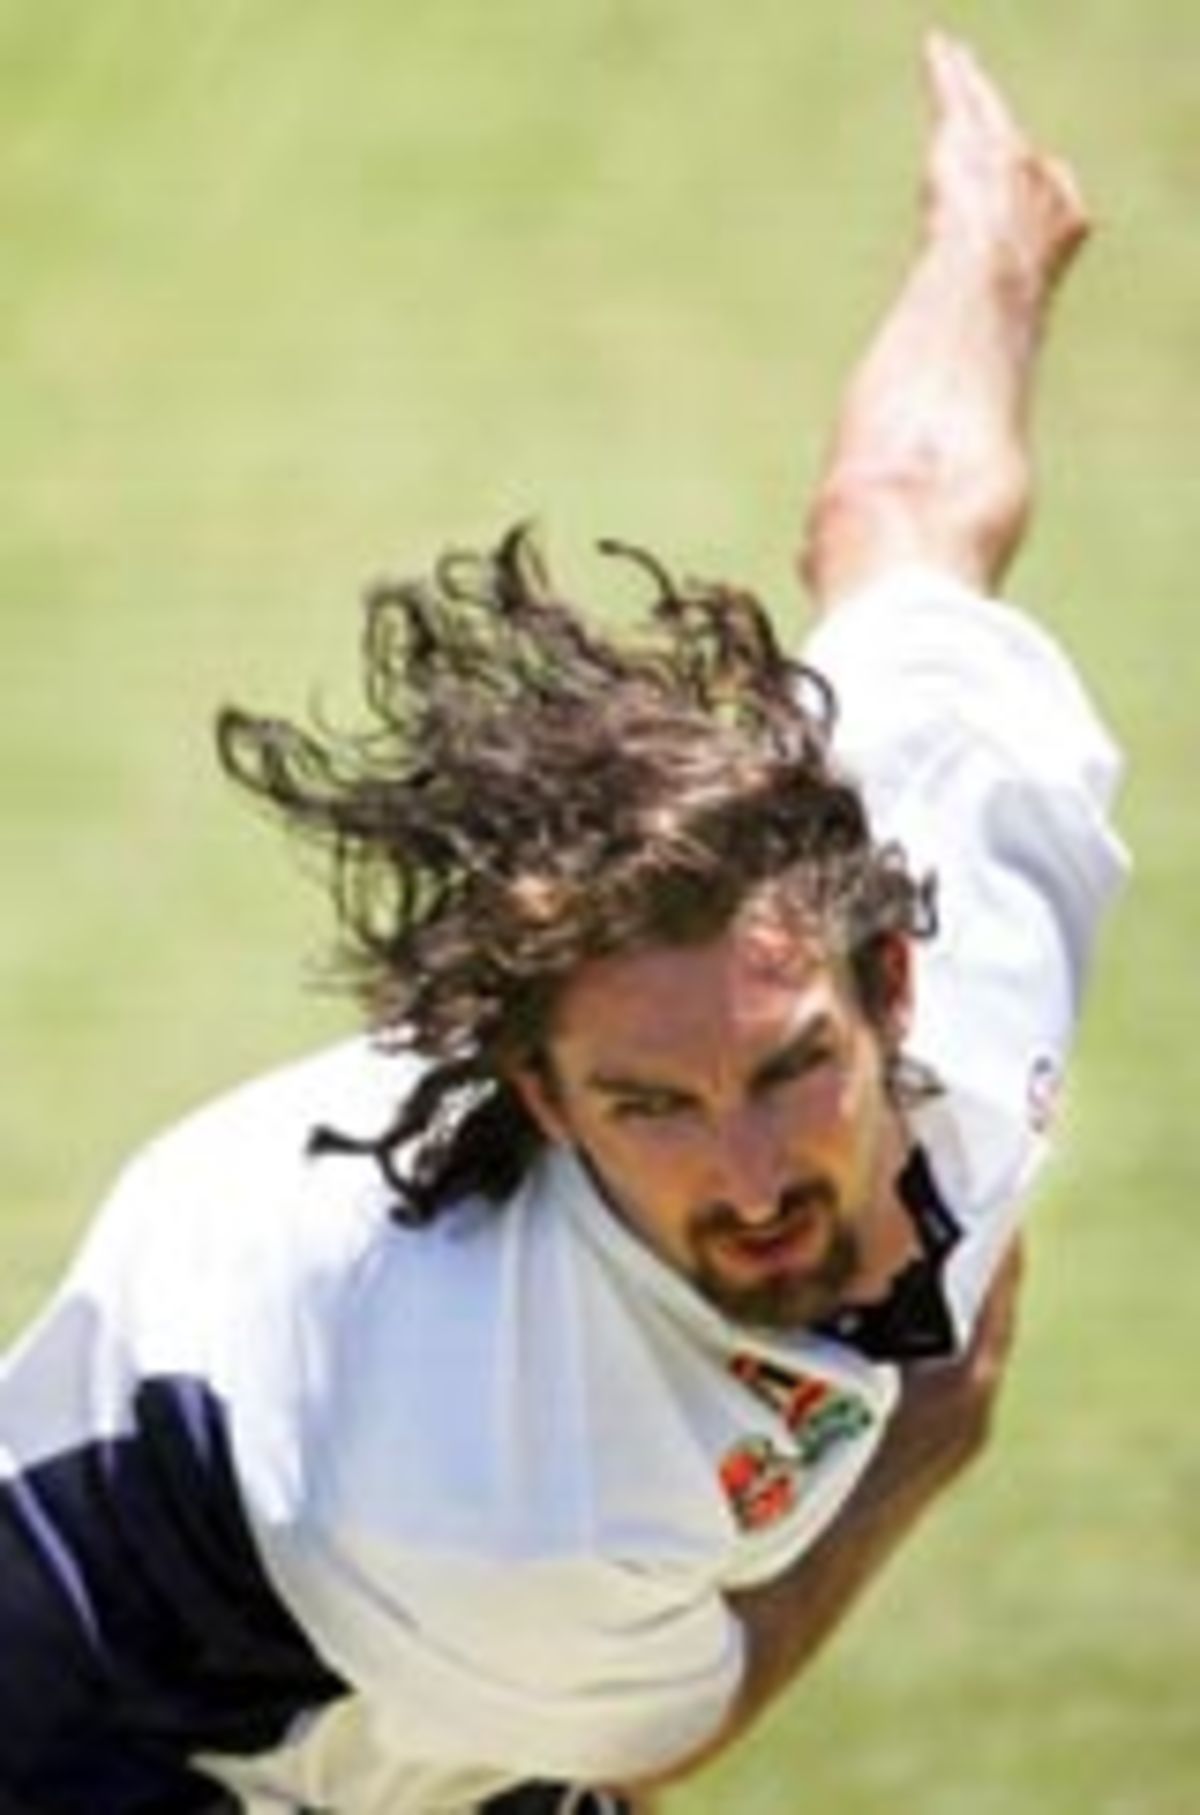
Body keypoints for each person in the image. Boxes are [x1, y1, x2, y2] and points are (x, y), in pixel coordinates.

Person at [0, 32, 1126, 1815]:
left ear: (894, 979)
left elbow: (907, 516)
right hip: (125, 1693)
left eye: (788, 1065)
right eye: (653, 1108)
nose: (750, 1170)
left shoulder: (973, 881)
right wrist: (929, 1435)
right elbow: (671, 1725)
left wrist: (987, 252)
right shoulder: (505, 1484)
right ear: (545, 1096)